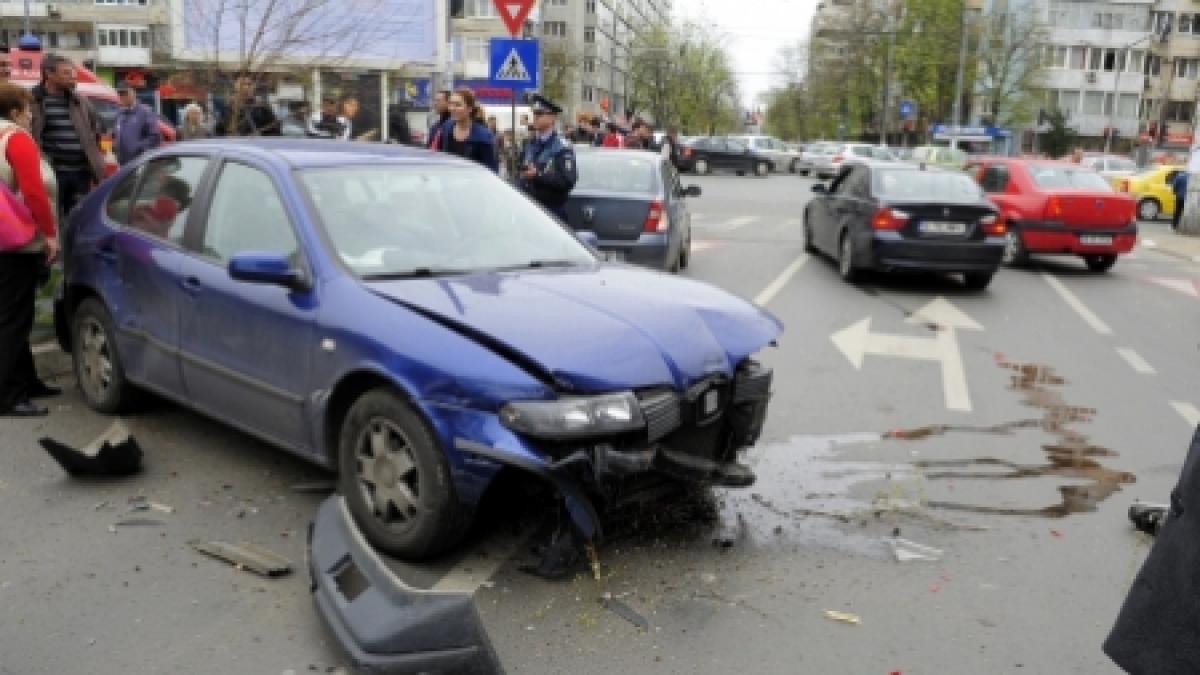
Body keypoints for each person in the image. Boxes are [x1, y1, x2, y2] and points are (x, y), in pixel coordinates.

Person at [0, 82, 61, 417]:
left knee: (13, 315)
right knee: (13, 319)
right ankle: (9, 395)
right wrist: (49, 234)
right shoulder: (16, 138)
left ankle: (27, 381)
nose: (31, 115)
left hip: (2, 239)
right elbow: (34, 191)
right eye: (28, 109)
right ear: (14, 112)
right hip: (17, 241)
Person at [30, 53, 104, 220]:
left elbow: (96, 130)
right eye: (66, 73)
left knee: (78, 218)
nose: (73, 77)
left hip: (81, 173)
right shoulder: (33, 101)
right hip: (52, 173)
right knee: (50, 217)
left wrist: (98, 157)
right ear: (49, 74)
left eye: (73, 73)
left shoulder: (81, 102)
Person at [518, 95, 577, 221]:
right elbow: (521, 173)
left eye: (540, 114)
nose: (535, 118)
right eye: (534, 114)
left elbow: (567, 181)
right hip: (528, 209)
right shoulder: (530, 144)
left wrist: (538, 175)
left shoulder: (562, 147)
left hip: (551, 212)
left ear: (552, 118)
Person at [433, 87, 498, 172]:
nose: (452, 108)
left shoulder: (484, 135)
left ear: (469, 108)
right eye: (451, 104)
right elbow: (439, 158)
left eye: (458, 105)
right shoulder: (446, 127)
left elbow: (491, 170)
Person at [113, 84, 161, 165]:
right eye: (120, 94)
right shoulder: (120, 114)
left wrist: (138, 148)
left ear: (133, 93)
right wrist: (115, 146)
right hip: (122, 163)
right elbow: (116, 134)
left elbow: (154, 137)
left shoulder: (145, 112)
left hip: (139, 162)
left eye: (125, 93)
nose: (123, 96)